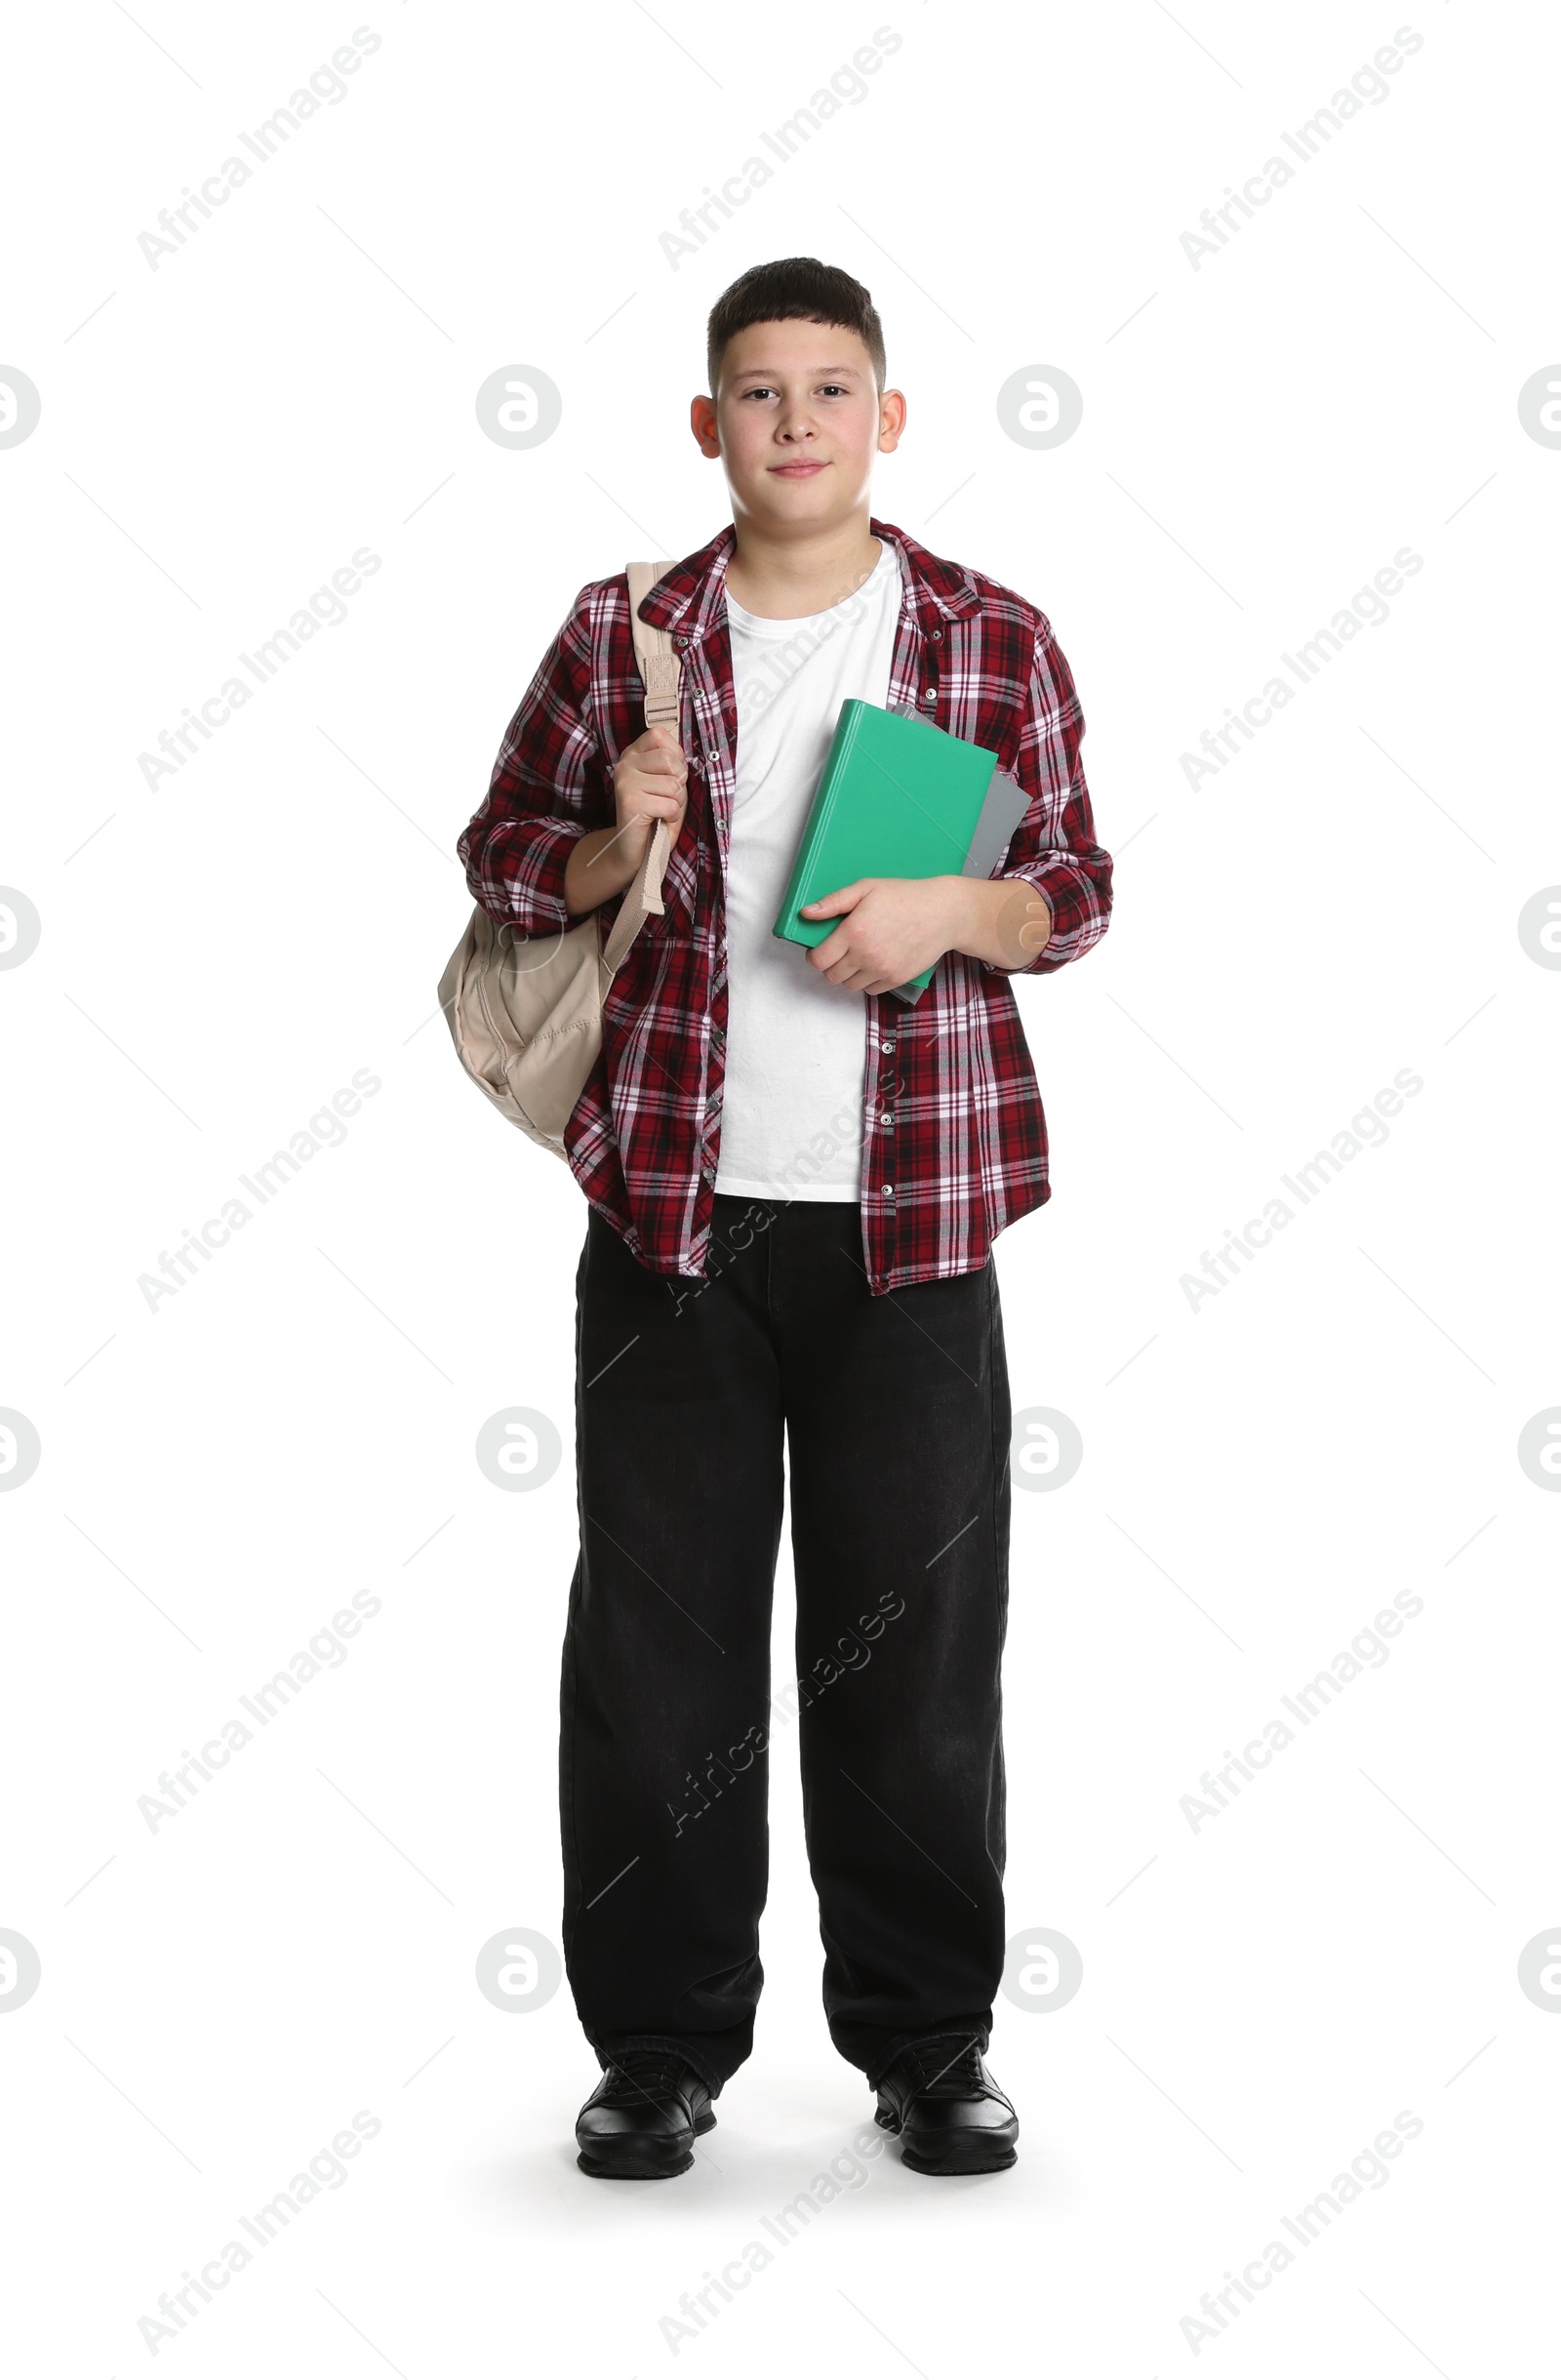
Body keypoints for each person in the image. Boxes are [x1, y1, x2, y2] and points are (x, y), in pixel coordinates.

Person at [457, 257, 1112, 2180]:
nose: (796, 422)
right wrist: (608, 838)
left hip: (909, 1223)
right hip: (671, 1216)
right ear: (706, 422)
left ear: (886, 419)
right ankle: (657, 2048)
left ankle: (926, 2044)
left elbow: (1070, 885)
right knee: (655, 1660)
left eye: (831, 389)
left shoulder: (986, 636)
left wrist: (946, 915)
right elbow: (501, 855)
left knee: (910, 1659)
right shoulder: (622, 636)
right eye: (757, 391)